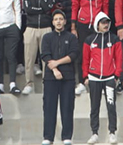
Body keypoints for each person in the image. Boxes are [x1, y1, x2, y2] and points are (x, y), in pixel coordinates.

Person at [41, 10, 79, 145]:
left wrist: (57, 62)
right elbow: (45, 55)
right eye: (56, 19)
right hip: (51, 78)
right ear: (52, 22)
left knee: (67, 107)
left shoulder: (71, 37)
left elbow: (73, 54)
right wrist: (55, 69)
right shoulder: (47, 37)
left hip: (68, 78)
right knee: (49, 107)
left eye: (60, 19)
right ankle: (48, 137)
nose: (58, 21)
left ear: (64, 21)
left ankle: (67, 136)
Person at [82, 12, 120, 145]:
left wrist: (117, 75)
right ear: (97, 24)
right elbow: (85, 59)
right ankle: (94, 133)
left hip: (110, 78)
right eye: (103, 22)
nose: (105, 25)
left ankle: (112, 133)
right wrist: (85, 76)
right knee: (94, 106)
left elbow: (119, 58)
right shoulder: (90, 40)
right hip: (94, 78)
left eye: (107, 22)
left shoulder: (114, 39)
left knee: (111, 106)